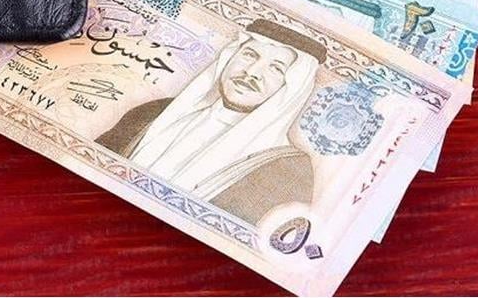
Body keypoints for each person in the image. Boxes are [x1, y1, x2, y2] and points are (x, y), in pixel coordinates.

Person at [97, 19, 327, 225]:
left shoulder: (288, 170)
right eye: (249, 55)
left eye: (276, 68)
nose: (252, 72)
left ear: (292, 88)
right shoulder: (153, 113)